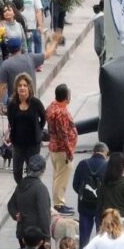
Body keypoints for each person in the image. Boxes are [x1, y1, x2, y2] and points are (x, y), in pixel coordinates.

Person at [6, 73, 47, 183]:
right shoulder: (12, 104)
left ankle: (30, 191)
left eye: (25, 85)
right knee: (16, 172)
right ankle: (22, 190)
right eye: (20, 85)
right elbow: (10, 120)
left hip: (33, 145)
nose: (22, 88)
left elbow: (43, 118)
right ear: (16, 88)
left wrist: (38, 129)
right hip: (18, 145)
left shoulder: (36, 103)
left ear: (29, 87)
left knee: (32, 173)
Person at [8, 154, 52, 249]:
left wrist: (15, 214)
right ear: (43, 170)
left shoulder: (21, 185)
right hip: (36, 236)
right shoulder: (40, 189)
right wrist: (47, 238)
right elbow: (44, 214)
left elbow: (10, 205)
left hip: (22, 233)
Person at [46, 83, 78, 216]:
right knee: (61, 177)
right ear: (66, 98)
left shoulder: (52, 106)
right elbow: (63, 134)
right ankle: (59, 204)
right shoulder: (62, 113)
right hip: (62, 150)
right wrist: (69, 151)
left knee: (57, 176)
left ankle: (57, 201)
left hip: (54, 148)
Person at [73, 142, 109, 249]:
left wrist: (84, 195)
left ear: (93, 151)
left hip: (84, 204)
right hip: (101, 205)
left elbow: (75, 185)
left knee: (84, 234)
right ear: (105, 152)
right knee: (101, 233)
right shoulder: (107, 166)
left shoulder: (82, 164)